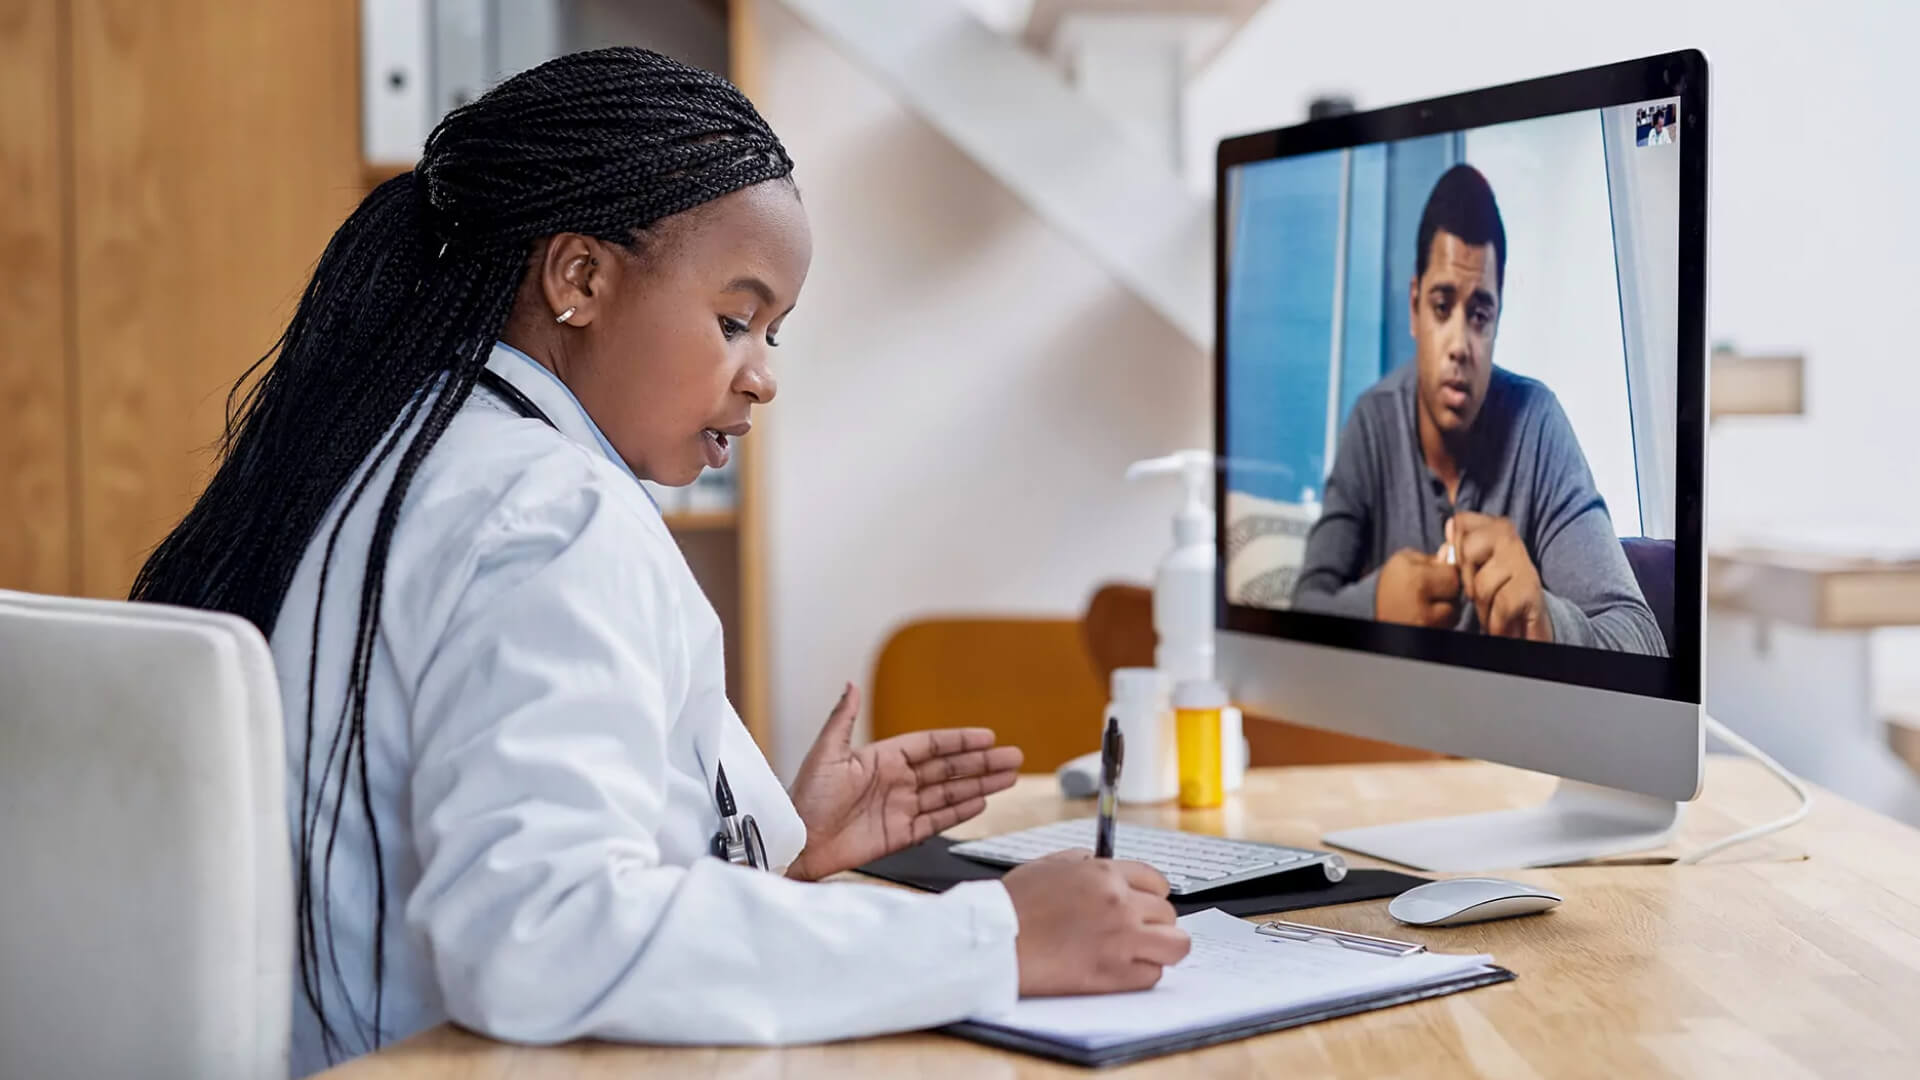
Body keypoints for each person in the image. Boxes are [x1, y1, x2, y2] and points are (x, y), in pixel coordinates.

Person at [130, 48, 1189, 1077]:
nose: (763, 376)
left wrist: (779, 839)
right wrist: (995, 936)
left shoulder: (417, 451)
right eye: (735, 320)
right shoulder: (551, 514)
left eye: (775, 334)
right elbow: (539, 936)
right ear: (579, 278)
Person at [1290, 164, 1665, 656]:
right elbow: (1301, 613)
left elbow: (1645, 640)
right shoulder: (1372, 423)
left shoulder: (1538, 425)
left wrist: (1546, 621)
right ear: (1413, 308)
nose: (1460, 346)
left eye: (1480, 315)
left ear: (1497, 322)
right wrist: (1375, 605)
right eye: (1442, 307)